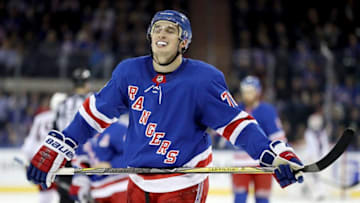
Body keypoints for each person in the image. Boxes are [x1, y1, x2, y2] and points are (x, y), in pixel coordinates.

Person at [26, 10, 304, 203]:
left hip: (182, 186)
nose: (162, 33)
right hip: (136, 182)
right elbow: (93, 116)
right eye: (157, 28)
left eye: (171, 30)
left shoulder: (204, 79)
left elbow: (237, 125)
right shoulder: (128, 72)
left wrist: (270, 154)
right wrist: (60, 144)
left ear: (184, 42)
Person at [231, 76, 286, 203]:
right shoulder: (236, 110)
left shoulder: (267, 111)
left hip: (263, 162)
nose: (247, 95)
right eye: (244, 91)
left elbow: (278, 137)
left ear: (258, 92)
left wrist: (284, 156)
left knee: (262, 199)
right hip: (240, 164)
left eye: (250, 91)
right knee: (239, 199)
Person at [53, 68, 92, 203]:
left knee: (66, 195)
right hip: (87, 156)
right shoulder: (94, 101)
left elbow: (56, 131)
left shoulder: (62, 104)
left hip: (66, 156)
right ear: (87, 83)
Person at [21, 92, 67, 203]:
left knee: (45, 192)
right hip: (62, 161)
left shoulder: (40, 118)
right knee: (66, 195)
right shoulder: (68, 118)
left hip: (43, 161)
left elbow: (30, 142)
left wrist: (29, 160)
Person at [69, 119, 129, 203]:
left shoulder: (116, 128)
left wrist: (111, 165)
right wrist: (80, 181)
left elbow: (134, 155)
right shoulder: (80, 136)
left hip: (121, 187)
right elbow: (79, 163)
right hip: (97, 193)